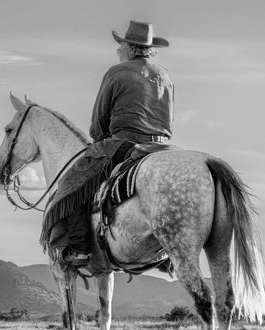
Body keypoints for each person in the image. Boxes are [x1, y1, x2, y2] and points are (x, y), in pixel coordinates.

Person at [45, 21, 175, 270]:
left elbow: (99, 120)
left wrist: (98, 140)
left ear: (129, 47)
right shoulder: (165, 75)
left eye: (122, 45)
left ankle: (80, 250)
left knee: (71, 187)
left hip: (123, 141)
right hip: (161, 144)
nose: (119, 50)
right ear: (149, 49)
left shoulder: (117, 72)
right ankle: (167, 255)